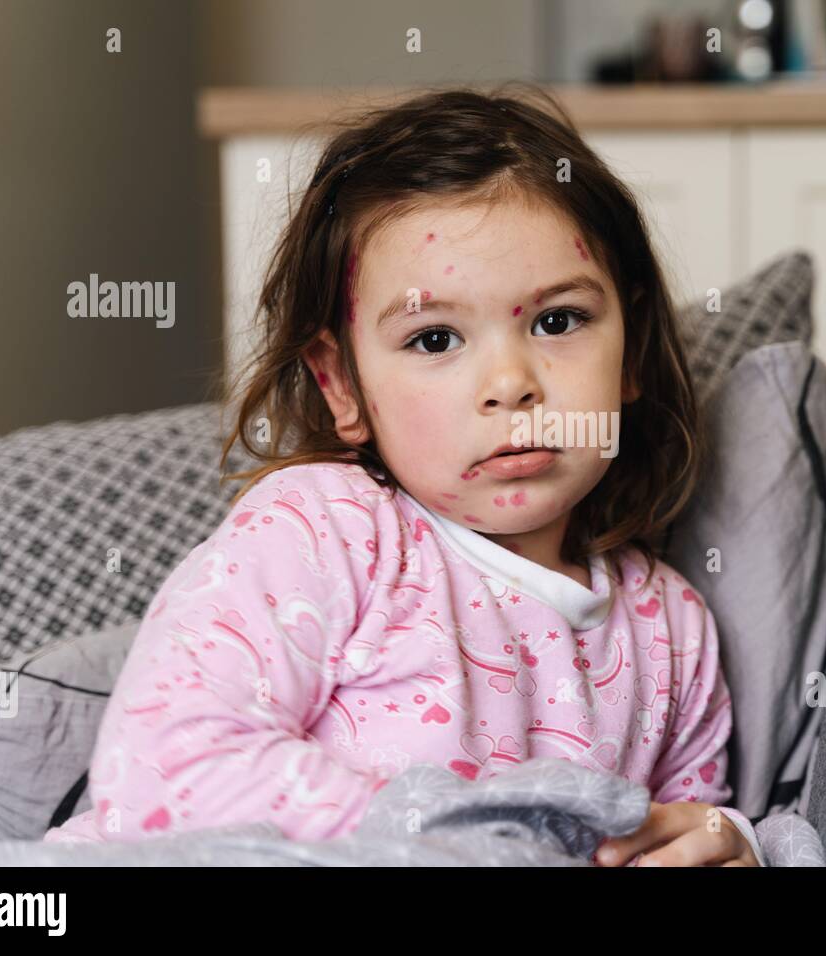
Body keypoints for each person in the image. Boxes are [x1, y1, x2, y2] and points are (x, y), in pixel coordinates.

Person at [44, 84, 764, 866]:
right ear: (342, 386)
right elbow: (162, 768)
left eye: (558, 321)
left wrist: (739, 842)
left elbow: (691, 830)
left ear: (630, 350)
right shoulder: (325, 531)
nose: (509, 383)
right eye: (433, 339)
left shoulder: (674, 630)